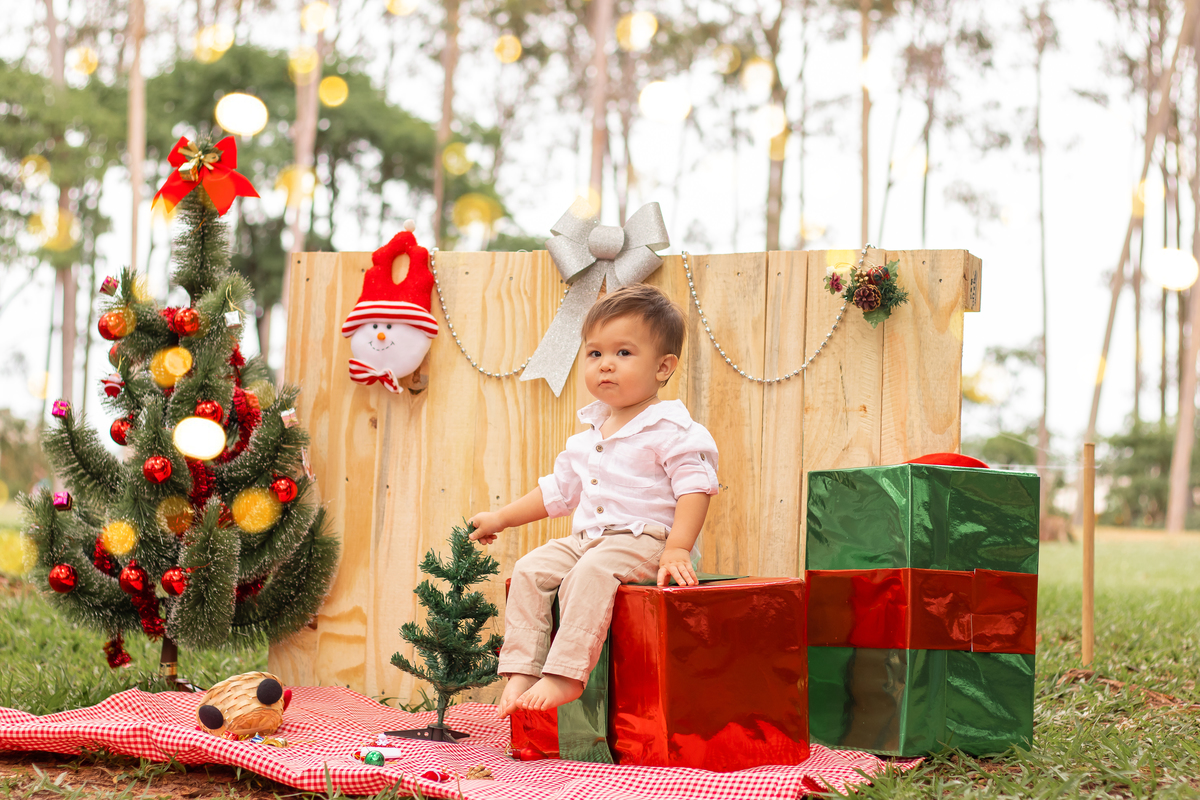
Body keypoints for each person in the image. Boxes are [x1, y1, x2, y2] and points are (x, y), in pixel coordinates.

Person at [468, 284, 719, 718]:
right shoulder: (588, 436)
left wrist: (677, 548)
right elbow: (557, 492)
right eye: (594, 353)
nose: (605, 365)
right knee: (531, 569)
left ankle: (565, 673)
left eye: (623, 353)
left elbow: (695, 488)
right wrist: (502, 517)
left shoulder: (673, 428)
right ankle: (522, 669)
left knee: (591, 572)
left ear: (663, 366)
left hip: (646, 540)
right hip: (591, 538)